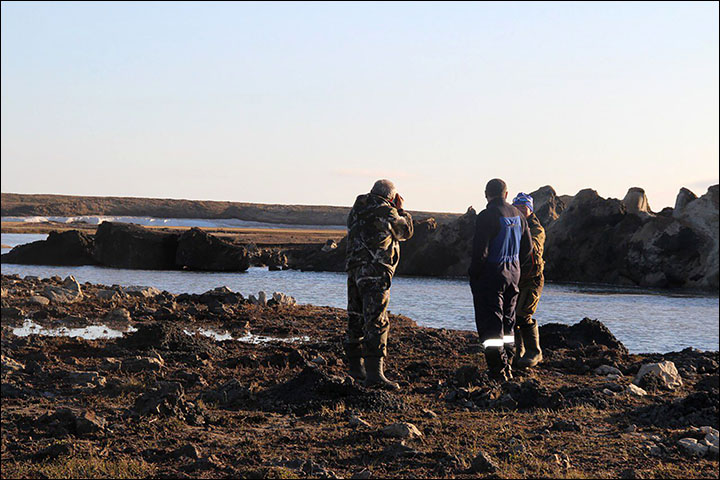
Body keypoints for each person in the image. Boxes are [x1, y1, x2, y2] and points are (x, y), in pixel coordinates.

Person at [344, 179, 414, 390]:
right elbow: (406, 232)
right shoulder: (388, 212)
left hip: (354, 269)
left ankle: (356, 368)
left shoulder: (357, 208)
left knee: (355, 316)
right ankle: (375, 375)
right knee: (377, 320)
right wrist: (402, 210)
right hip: (375, 271)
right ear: (391, 197)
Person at [468, 178, 532, 382]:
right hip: (513, 274)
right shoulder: (518, 216)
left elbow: (481, 251)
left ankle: (498, 369)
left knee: (491, 322)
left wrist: (474, 275)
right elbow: (528, 249)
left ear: (486, 194)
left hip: (492, 275)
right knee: (509, 320)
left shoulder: (487, 216)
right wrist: (516, 268)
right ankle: (509, 363)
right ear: (506, 194)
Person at [512, 192, 545, 368]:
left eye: (523, 208)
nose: (519, 211)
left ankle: (534, 352)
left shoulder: (537, 229)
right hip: (514, 277)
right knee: (511, 316)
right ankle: (518, 353)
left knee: (523, 315)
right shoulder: (511, 225)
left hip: (532, 279)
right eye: (516, 208)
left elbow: (534, 246)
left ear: (530, 210)